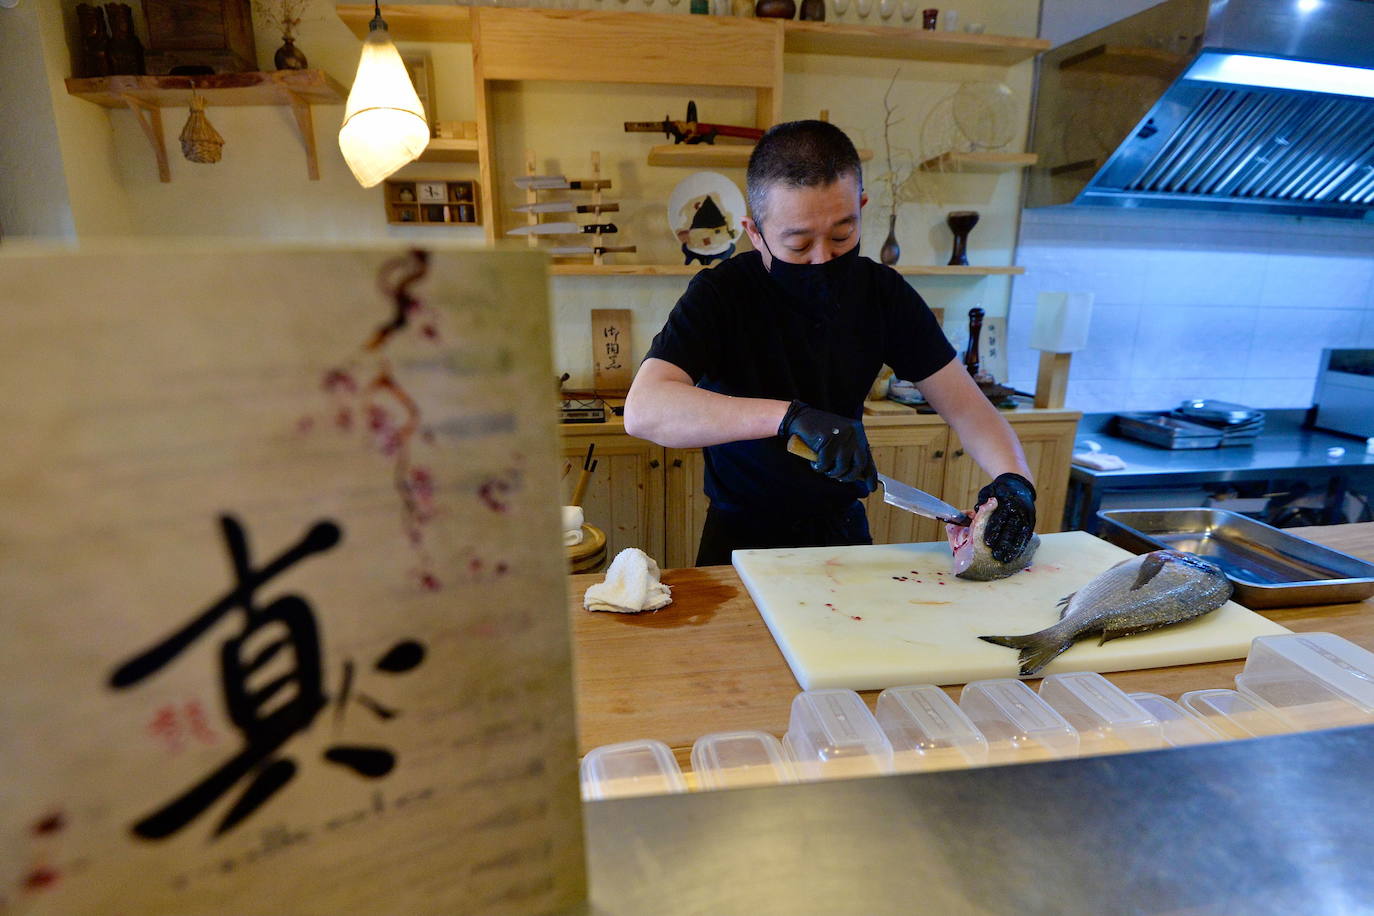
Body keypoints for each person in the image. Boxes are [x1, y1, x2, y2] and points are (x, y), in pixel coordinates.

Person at [623, 119, 1037, 567]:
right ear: (754, 231)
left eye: (842, 236)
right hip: (740, 540)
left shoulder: (882, 295)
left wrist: (1015, 483)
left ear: (860, 207)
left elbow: (970, 409)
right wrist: (790, 417)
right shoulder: (721, 295)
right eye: (799, 245)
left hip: (842, 532)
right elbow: (645, 410)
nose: (822, 259)